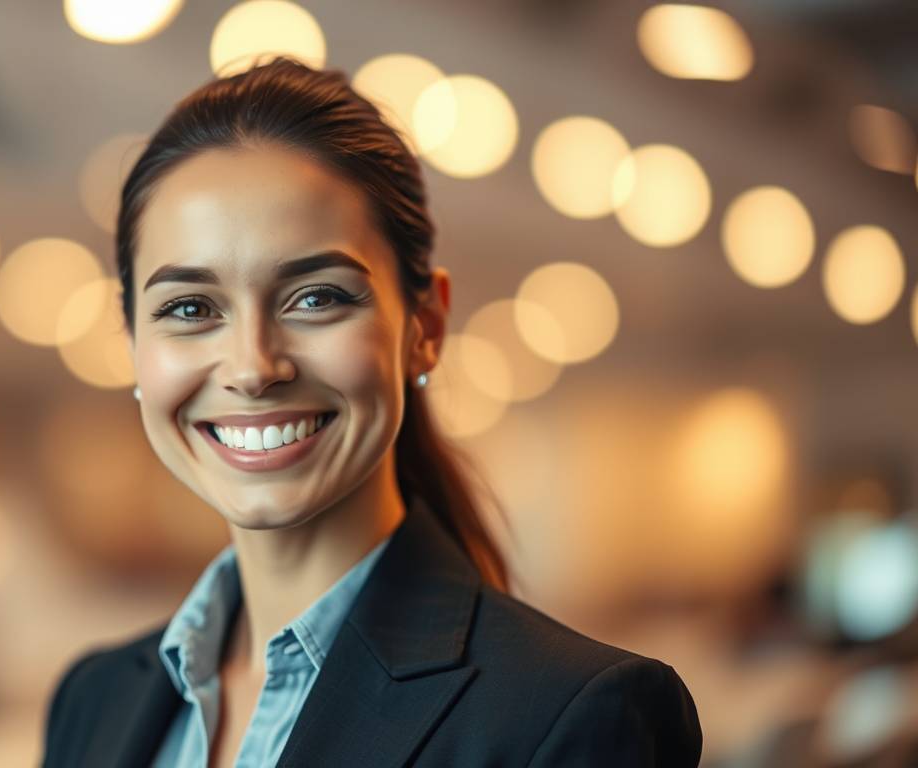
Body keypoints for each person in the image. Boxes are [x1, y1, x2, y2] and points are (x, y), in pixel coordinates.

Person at [43, 57, 702, 767]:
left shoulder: (571, 714)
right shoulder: (92, 699)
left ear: (425, 327)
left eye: (317, 297)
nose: (253, 367)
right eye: (190, 308)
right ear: (135, 345)